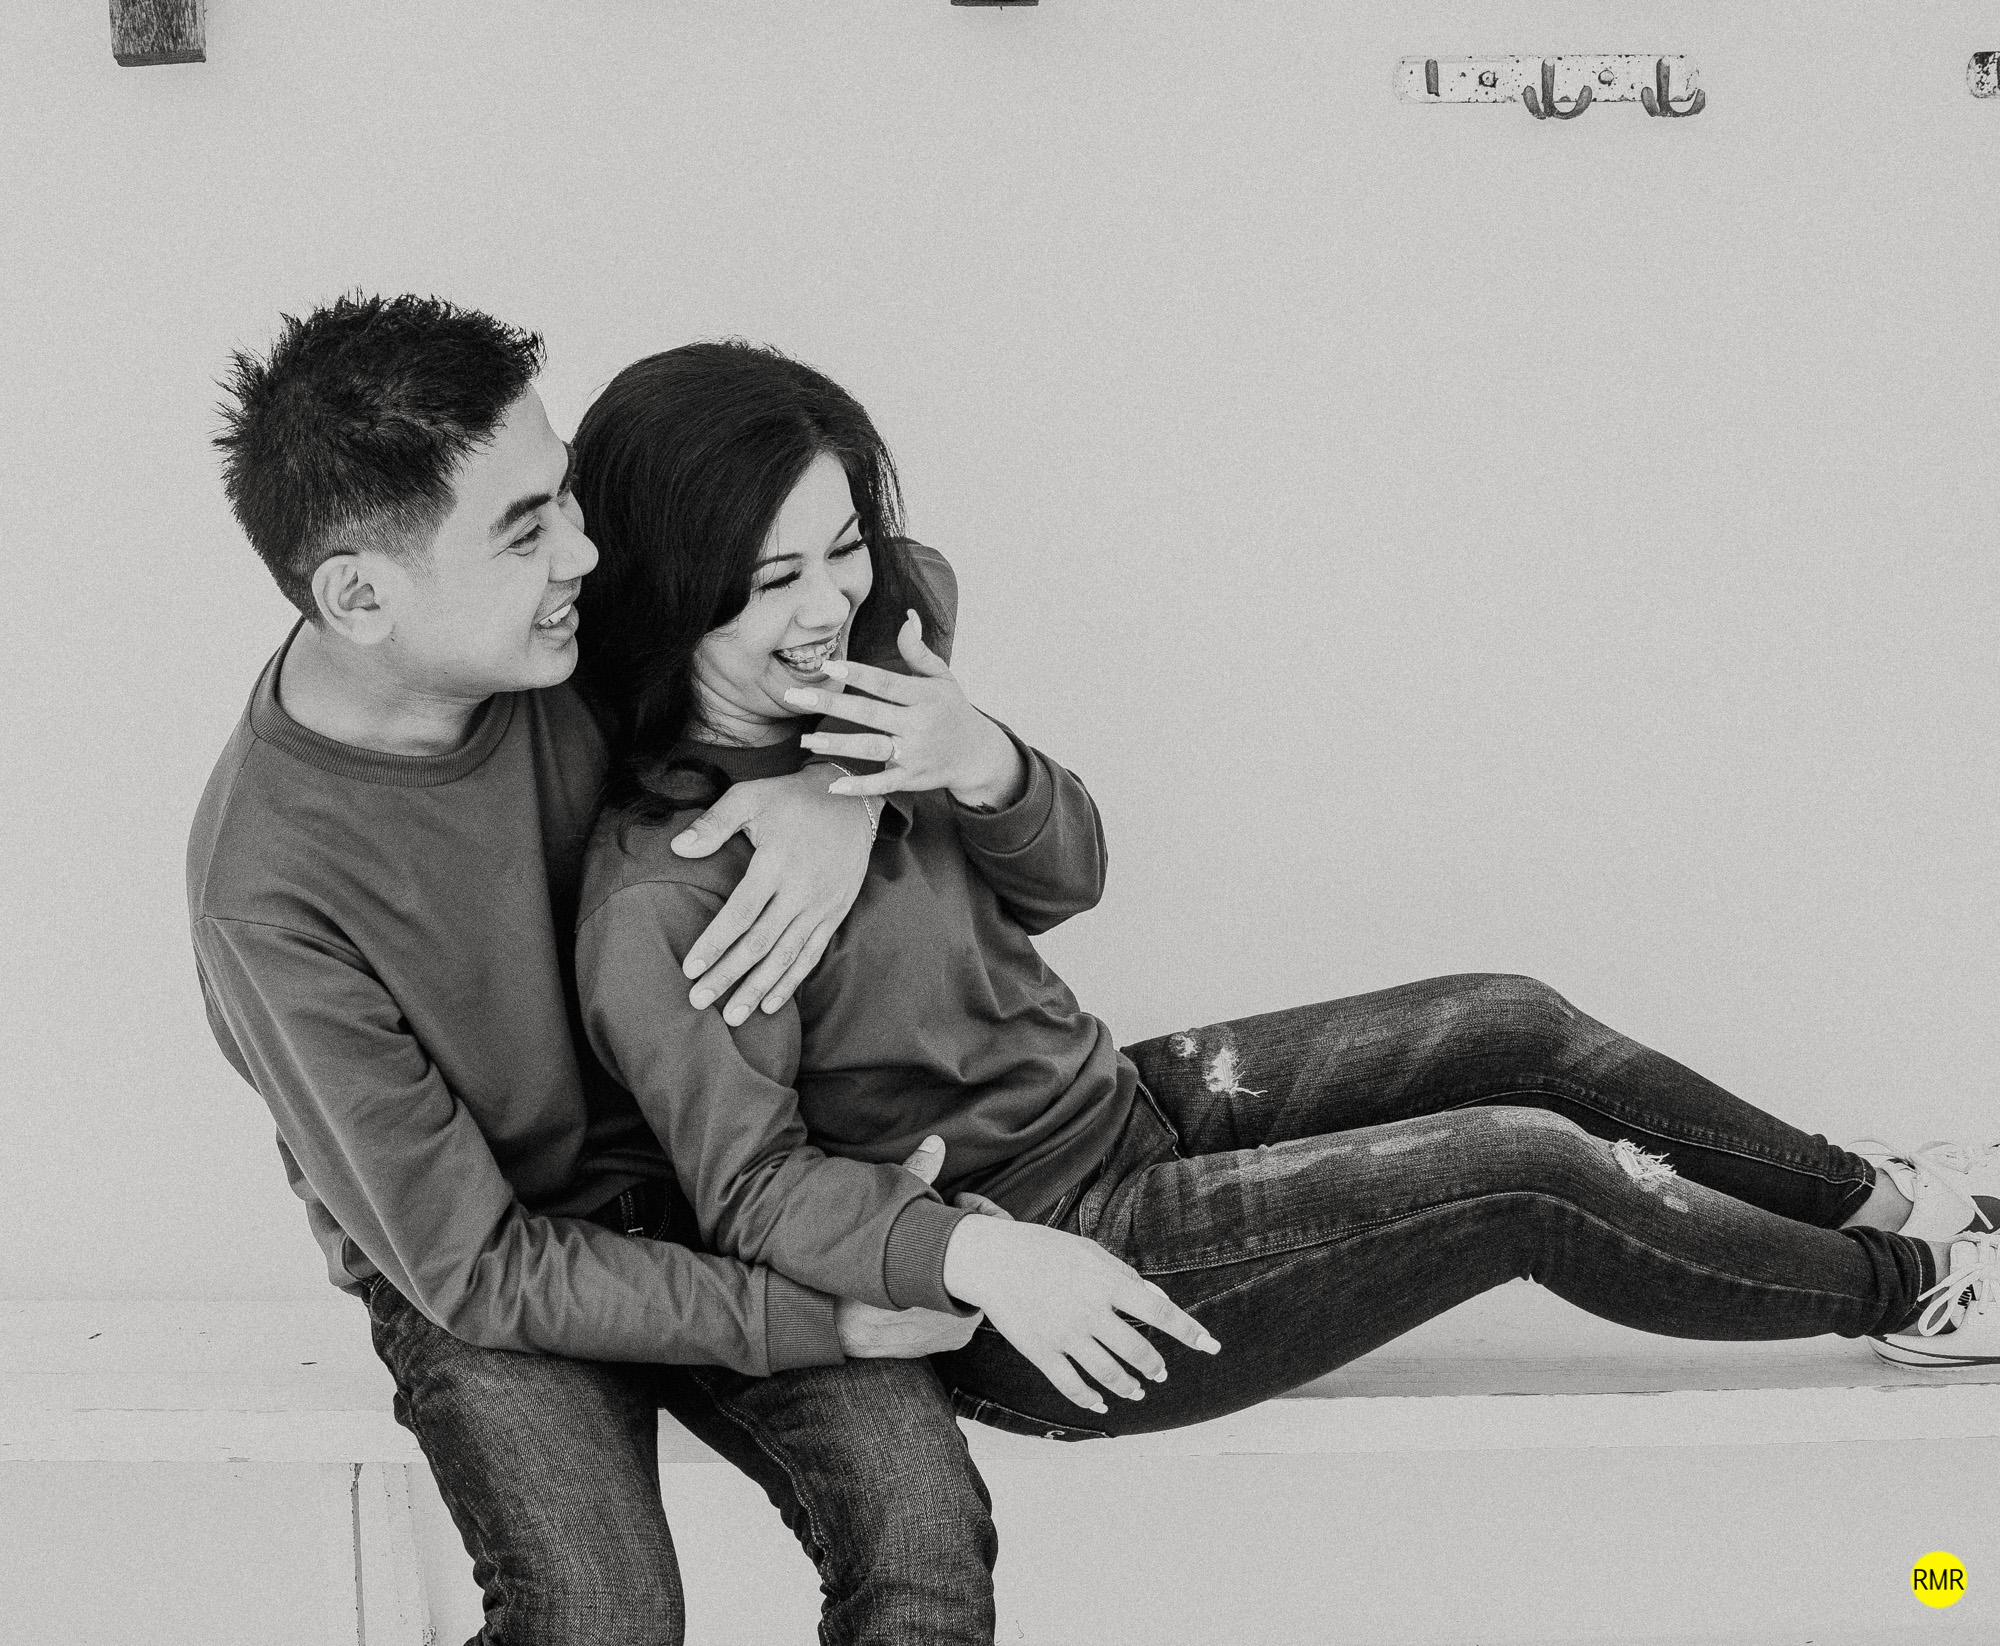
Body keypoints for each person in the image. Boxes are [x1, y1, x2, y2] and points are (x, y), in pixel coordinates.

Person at [569, 338, 2000, 1462]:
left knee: (1510, 1017)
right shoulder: (666, 898)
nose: (829, 603)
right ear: (671, 595)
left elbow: (1067, 875)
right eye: (773, 579)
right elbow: (754, 1191)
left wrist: (976, 757)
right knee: (1523, 1172)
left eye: (842, 549)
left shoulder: (870, 695)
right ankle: (1912, 1283)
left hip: (1118, 1109)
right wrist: (979, 1255)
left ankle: (1886, 1193)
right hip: (1059, 1279)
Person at [187, 294, 1012, 1646]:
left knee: (925, 1543)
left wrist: (835, 788)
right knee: (600, 1615)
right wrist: (815, 1319)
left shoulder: (562, 616)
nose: (581, 549)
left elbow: (895, 576)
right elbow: (476, 1266)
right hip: (497, 1265)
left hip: (720, 1179)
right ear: (360, 596)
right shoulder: (266, 894)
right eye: (525, 530)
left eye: (564, 495)